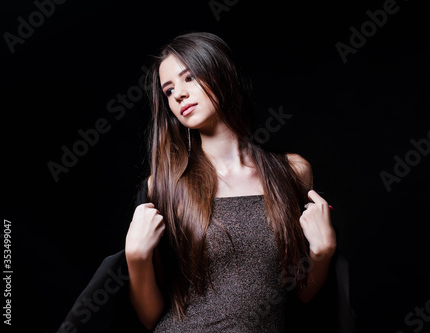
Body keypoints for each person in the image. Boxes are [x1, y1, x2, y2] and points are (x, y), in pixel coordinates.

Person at [124, 31, 337, 332]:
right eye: (169, 91)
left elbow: (302, 295)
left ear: (220, 72)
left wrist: (322, 252)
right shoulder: (162, 186)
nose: (179, 95)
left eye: (189, 78)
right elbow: (150, 316)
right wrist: (136, 257)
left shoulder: (292, 172)